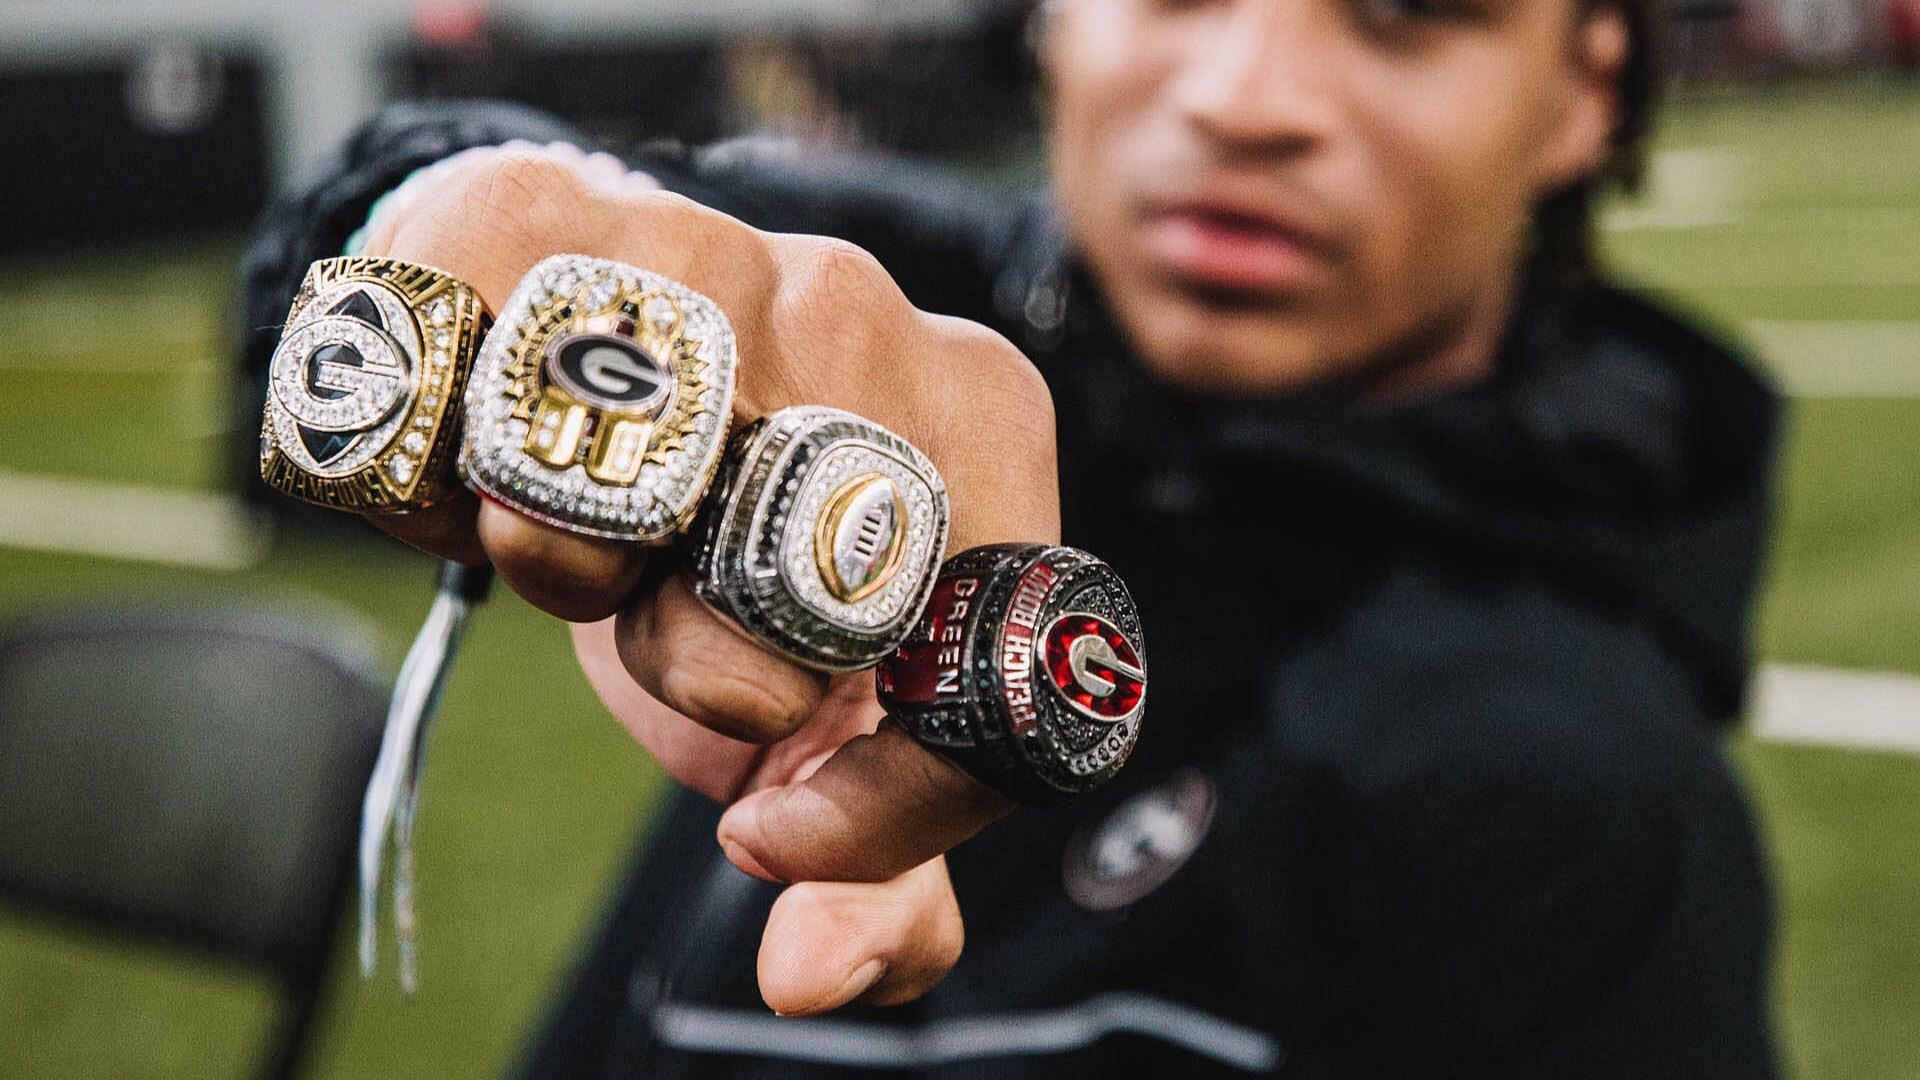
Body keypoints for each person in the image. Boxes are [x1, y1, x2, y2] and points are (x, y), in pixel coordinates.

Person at [241, 0, 1781, 1074]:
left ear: (1587, 85)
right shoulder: (901, 274)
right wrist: (447, 226)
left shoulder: (1592, 801)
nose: (1246, 95)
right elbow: (412, 216)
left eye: (1406, 5)